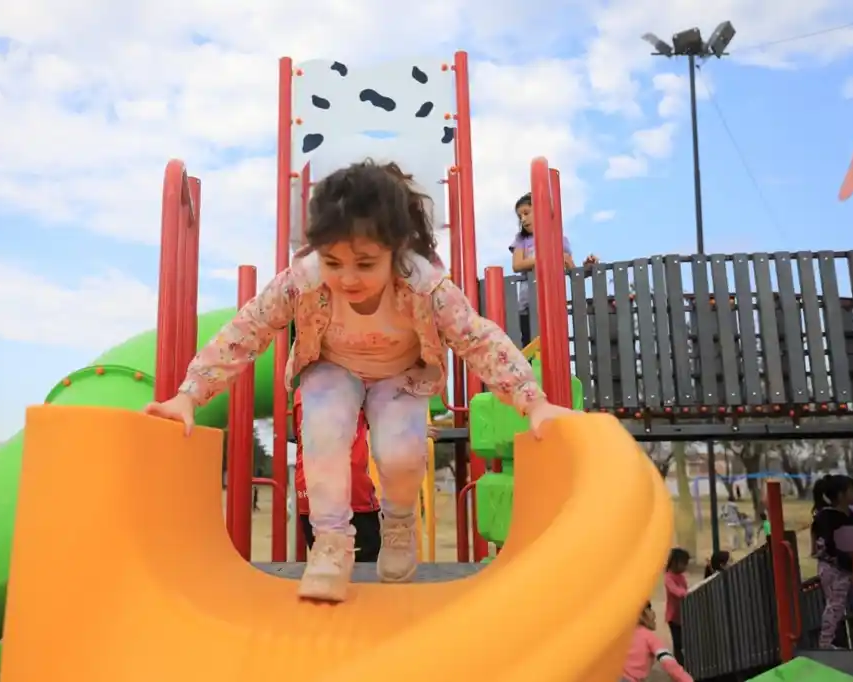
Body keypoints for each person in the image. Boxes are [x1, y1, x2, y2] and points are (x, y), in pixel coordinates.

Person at [144, 159, 575, 603]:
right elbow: (247, 329)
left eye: (366, 264)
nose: (347, 278)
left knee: (402, 453)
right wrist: (190, 394)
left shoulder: (425, 287)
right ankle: (331, 543)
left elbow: (479, 339)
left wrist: (533, 402)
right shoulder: (303, 281)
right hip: (333, 366)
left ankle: (399, 523)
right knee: (323, 432)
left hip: (401, 374)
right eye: (333, 261)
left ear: (396, 250)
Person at [292, 386, 381, 562]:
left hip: (310, 493)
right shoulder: (359, 387)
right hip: (352, 495)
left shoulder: (301, 393)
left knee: (326, 562)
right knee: (362, 569)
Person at [508, 192, 596, 346]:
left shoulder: (558, 238)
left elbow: (571, 270)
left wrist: (586, 268)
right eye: (520, 216)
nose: (523, 219)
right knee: (531, 344)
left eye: (526, 213)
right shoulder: (522, 239)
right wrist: (547, 258)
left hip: (553, 302)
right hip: (528, 305)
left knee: (554, 343)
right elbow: (517, 265)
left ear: (541, 212)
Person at [811, 474, 853, 649]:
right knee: (836, 604)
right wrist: (846, 555)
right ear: (841, 495)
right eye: (852, 490)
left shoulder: (852, 517)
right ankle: (826, 642)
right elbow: (825, 545)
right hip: (833, 568)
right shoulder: (826, 517)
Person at [621, 601, 693, 682]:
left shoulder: (622, 636)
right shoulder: (648, 637)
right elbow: (668, 662)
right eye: (650, 609)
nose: (654, 613)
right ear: (644, 614)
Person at [664, 547, 691, 665]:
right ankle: (678, 665)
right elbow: (675, 591)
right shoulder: (668, 577)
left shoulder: (681, 576)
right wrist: (687, 594)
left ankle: (685, 663)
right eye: (683, 564)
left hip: (683, 615)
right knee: (678, 643)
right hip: (674, 617)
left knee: (685, 641)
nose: (685, 567)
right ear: (675, 562)